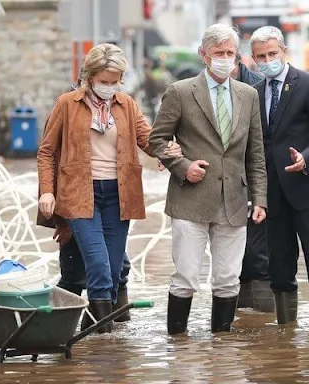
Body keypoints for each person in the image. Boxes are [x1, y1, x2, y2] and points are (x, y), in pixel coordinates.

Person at [37, 43, 180, 333]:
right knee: (99, 267)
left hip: (119, 195)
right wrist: (47, 191)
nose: (110, 87)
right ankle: (103, 341)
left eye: (115, 82)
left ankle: (95, 336)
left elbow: (148, 139)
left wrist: (168, 150)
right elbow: (46, 152)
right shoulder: (67, 104)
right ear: (89, 77)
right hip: (79, 195)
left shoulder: (126, 104)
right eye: (104, 82)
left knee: (114, 271)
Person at [149, 23, 268, 335]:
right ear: (204, 55)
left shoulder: (248, 95)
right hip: (191, 198)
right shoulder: (179, 92)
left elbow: (255, 154)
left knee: (228, 278)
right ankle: (178, 345)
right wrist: (182, 165)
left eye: (230, 53)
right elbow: (156, 141)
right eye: (218, 53)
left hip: (234, 201)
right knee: (186, 276)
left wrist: (261, 199)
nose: (225, 58)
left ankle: (222, 349)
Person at [250, 26, 309, 325]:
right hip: (273, 195)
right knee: (278, 268)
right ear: (253, 58)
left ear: (284, 52)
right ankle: (285, 333)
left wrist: (307, 158)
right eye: (261, 56)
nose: (267, 60)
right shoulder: (254, 92)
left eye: (272, 54)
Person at [227, 52, 275, 313]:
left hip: (257, 173)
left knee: (258, 249)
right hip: (225, 179)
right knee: (230, 248)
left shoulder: (256, 88)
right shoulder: (200, 89)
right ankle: (237, 311)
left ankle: (261, 313)